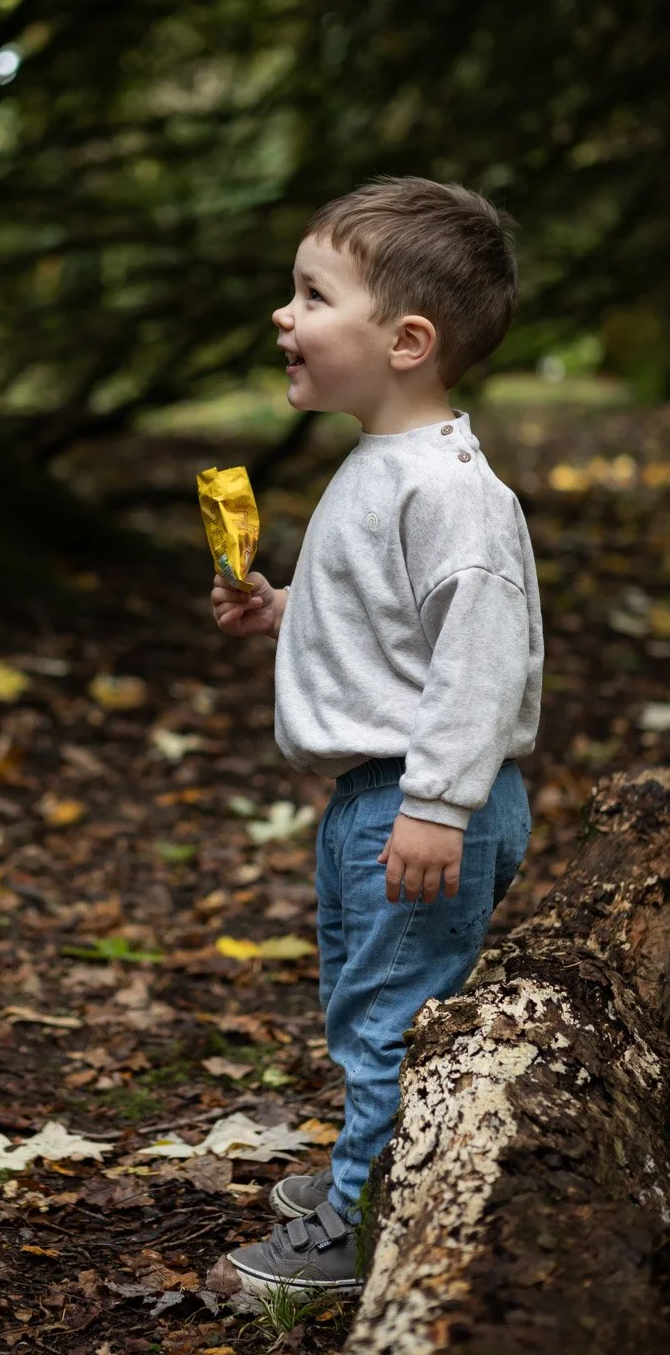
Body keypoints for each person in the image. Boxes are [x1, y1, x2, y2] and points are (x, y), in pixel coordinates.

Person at [211, 177, 543, 1297]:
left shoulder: (454, 494)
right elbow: (387, 621)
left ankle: (357, 1226)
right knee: (363, 1000)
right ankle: (370, 1166)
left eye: (310, 295)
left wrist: (436, 804)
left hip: (416, 799)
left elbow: (476, 659)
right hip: (378, 796)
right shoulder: (380, 461)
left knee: (392, 1018)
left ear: (405, 339)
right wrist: (282, 606)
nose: (282, 315)